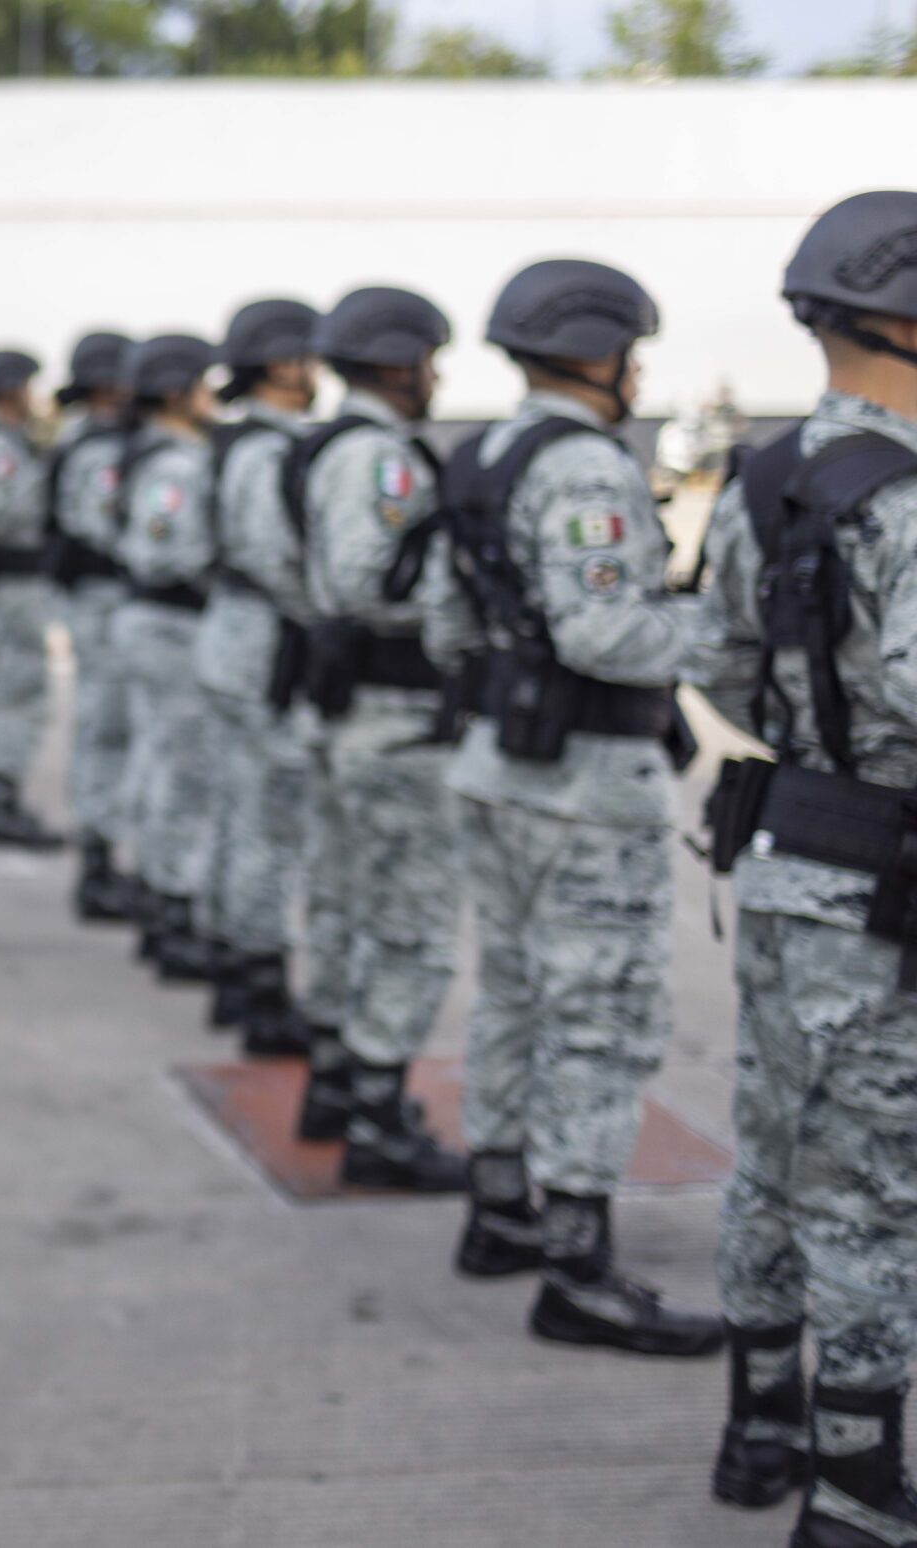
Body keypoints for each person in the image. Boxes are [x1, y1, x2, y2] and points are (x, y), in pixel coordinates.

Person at [418, 258, 719, 1357]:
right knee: (598, 1014)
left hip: (496, 762)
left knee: (509, 991)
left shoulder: (483, 452)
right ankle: (578, 1266)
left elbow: (445, 620)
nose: (635, 369)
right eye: (629, 348)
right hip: (585, 780)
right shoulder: (588, 465)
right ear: (595, 347)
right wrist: (732, 639)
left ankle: (500, 1209)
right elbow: (605, 635)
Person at [685, 190, 917, 1539]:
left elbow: (710, 660)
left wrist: (813, 743)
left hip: (782, 858)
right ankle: (857, 1489)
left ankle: (758, 1426)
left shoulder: (762, 475)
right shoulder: (907, 498)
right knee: (878, 1184)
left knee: (771, 1151)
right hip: (879, 881)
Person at [289, 286, 468, 1190]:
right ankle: (377, 1119)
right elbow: (369, 580)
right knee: (410, 924)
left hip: (341, 705)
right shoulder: (378, 458)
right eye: (429, 360)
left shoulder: (320, 445)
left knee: (344, 901)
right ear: (398, 362)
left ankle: (335, 1081)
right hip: (391, 717)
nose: (434, 377)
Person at [191, 299, 320, 1055]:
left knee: (243, 818)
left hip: (233, 639)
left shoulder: (228, 444)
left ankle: (237, 967)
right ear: (280, 363)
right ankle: (261, 989)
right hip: (266, 650)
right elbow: (280, 561)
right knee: (270, 826)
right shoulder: (272, 452)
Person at [108, 335, 221, 975]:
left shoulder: (156, 452)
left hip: (152, 622)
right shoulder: (176, 463)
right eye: (204, 385)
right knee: (182, 772)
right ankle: (172, 910)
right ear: (178, 392)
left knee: (161, 762)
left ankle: (159, 895)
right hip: (171, 625)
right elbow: (160, 550)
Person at [49, 332, 140, 921]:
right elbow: (105, 529)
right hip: (106, 597)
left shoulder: (83, 439)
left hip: (98, 598)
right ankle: (101, 865)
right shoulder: (100, 449)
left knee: (105, 730)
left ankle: (102, 858)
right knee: (109, 732)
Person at [0, 349, 67, 848]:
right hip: (13, 579)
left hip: (16, 580)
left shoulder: (10, 441)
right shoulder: (3, 447)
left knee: (10, 686)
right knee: (20, 690)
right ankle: (2, 793)